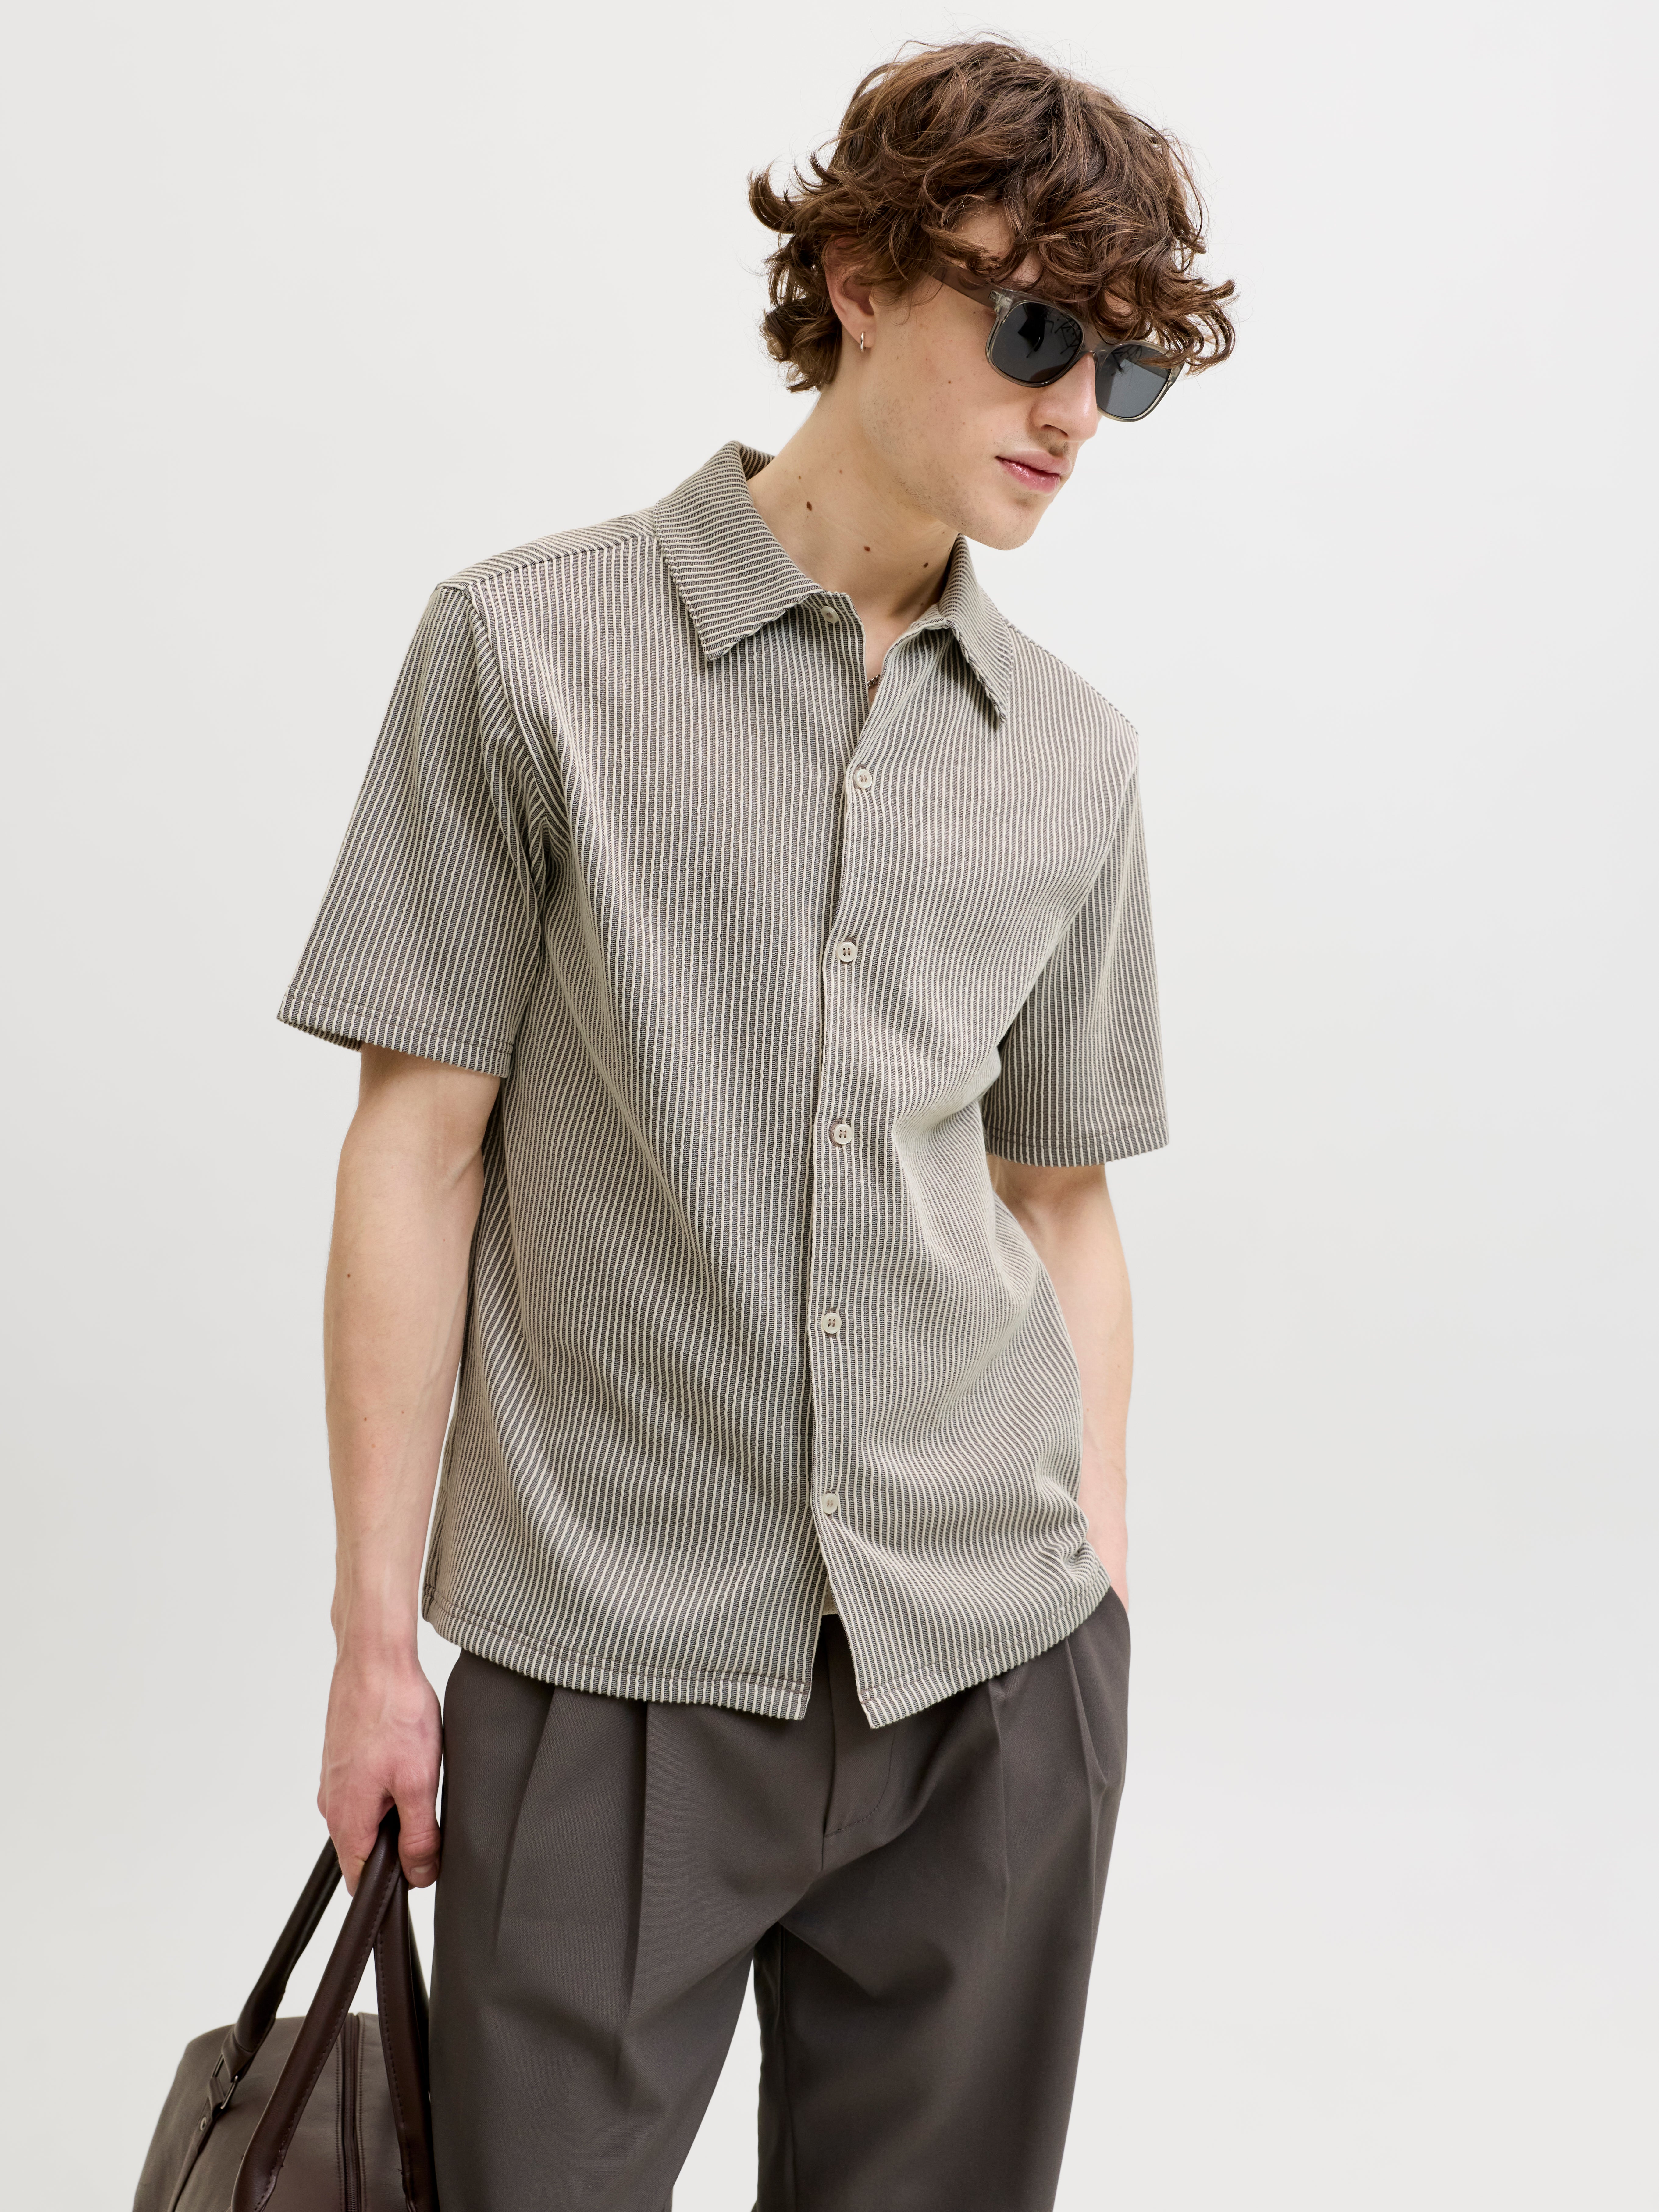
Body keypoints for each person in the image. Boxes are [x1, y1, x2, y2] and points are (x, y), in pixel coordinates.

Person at [280, 34, 1234, 2211]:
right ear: (860, 278)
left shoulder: (1069, 755)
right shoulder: (523, 653)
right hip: (604, 1658)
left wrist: (1092, 1593)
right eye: (1033, 329)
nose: (1074, 411)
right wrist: (369, 1646)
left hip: (988, 1680)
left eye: (1123, 368)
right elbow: (417, 1151)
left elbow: (1057, 1198)